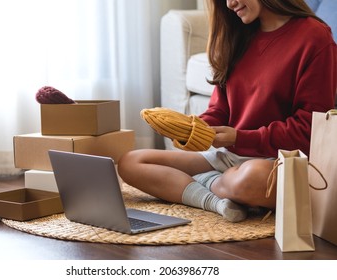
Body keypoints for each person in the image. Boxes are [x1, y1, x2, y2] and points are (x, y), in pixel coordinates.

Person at [118, 0, 337, 222]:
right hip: (230, 156)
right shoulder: (237, 35)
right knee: (131, 162)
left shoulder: (314, 37)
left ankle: (202, 183)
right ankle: (218, 201)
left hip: (280, 160)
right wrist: (193, 129)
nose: (230, 4)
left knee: (252, 179)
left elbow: (309, 130)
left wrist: (239, 137)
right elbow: (219, 109)